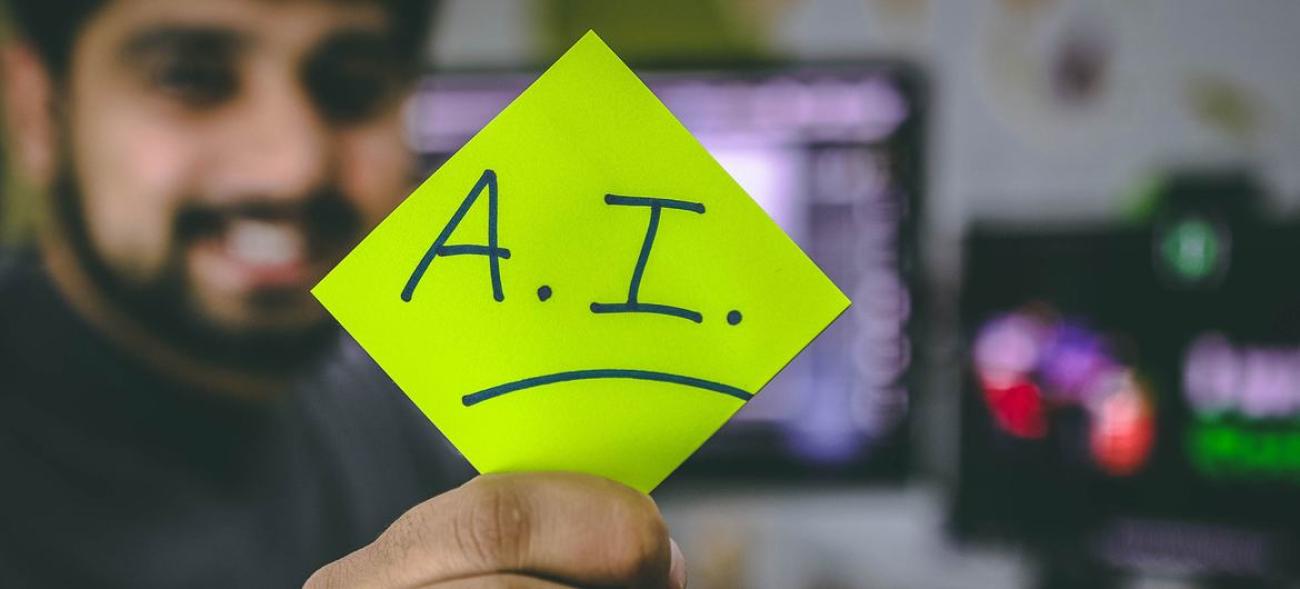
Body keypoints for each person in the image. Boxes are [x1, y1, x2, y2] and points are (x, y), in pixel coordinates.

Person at [0, 1, 686, 587]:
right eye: (189, 77)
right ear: (37, 108)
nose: (291, 165)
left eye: (353, 85)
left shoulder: (410, 419)